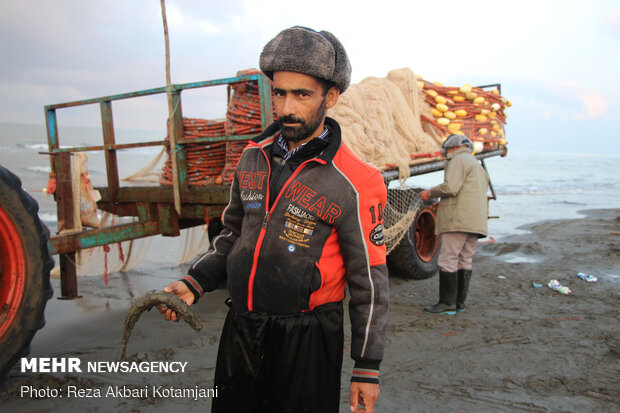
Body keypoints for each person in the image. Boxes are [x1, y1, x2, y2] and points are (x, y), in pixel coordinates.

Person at [159, 26, 389, 413]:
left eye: (302, 94)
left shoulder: (356, 181)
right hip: (242, 327)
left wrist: (367, 367)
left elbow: (369, 281)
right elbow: (231, 235)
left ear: (330, 96)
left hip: (309, 338)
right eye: (279, 92)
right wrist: (194, 281)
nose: (286, 108)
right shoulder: (253, 157)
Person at [419, 134, 489, 315]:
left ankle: (446, 302)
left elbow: (451, 187)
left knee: (448, 259)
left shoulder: (458, 160)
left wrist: (430, 193)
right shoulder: (476, 164)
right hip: (476, 221)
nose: (445, 153)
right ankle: (459, 302)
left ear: (453, 148)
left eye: (446, 149)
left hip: (458, 221)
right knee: (465, 259)